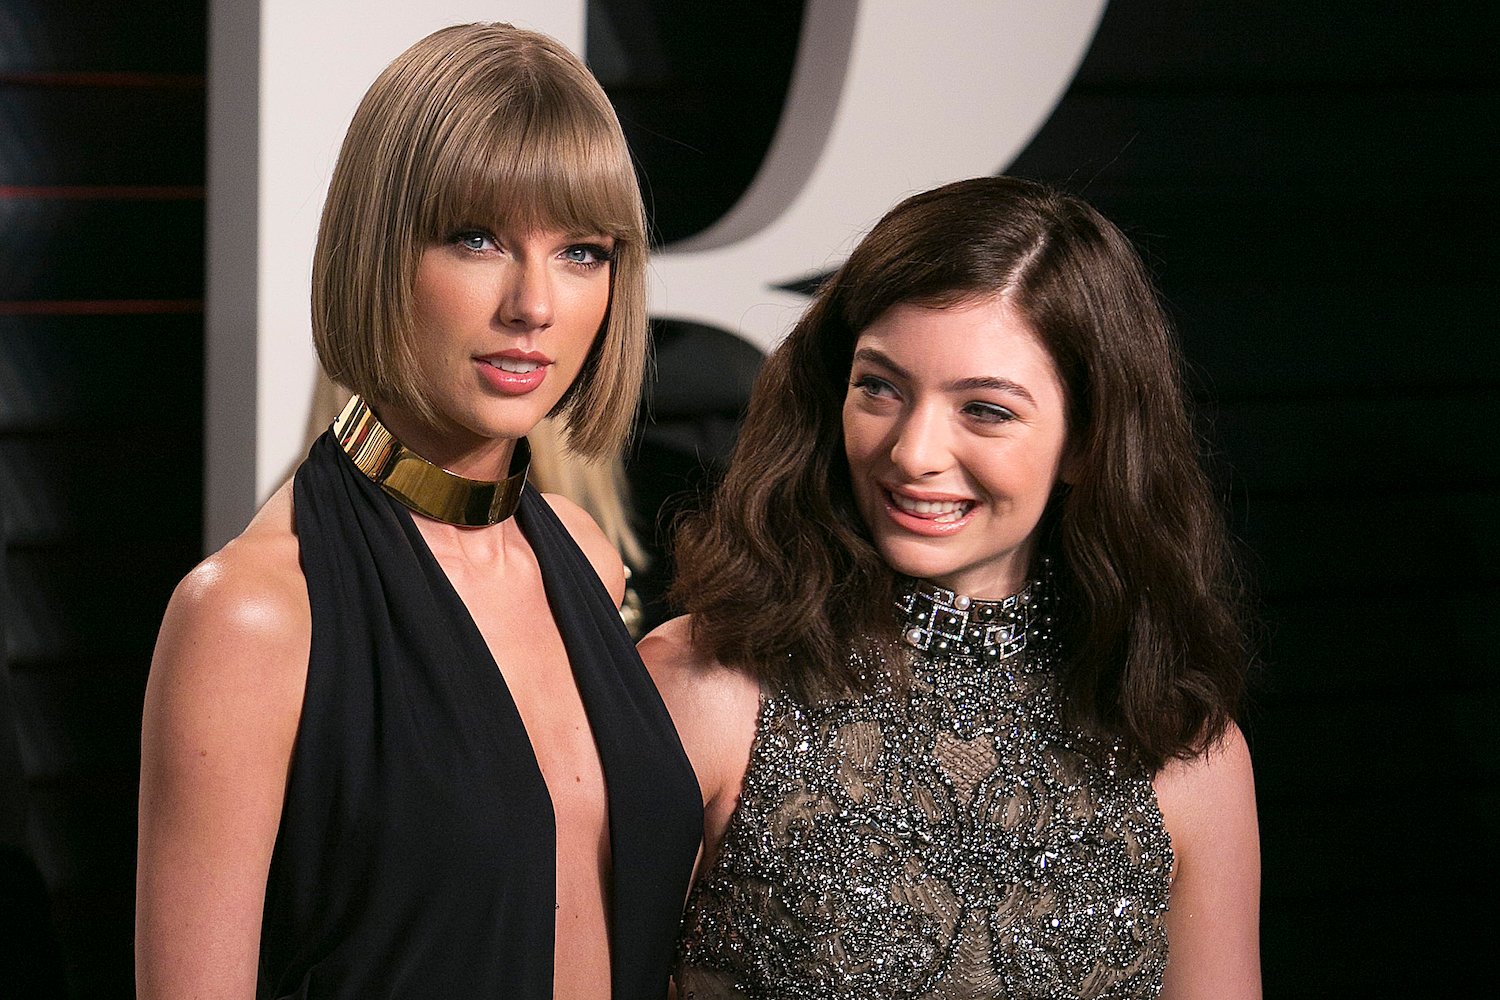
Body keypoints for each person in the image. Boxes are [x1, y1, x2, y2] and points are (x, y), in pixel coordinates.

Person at [136, 23, 700, 1000]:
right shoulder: (251, 619)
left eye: (579, 250)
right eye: (477, 238)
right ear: (380, 248)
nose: (533, 303)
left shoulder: (583, 553)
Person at [641, 176, 1260, 999]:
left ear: (1088, 442)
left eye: (986, 411)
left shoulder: (1186, 750)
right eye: (880, 388)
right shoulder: (707, 686)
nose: (913, 452)